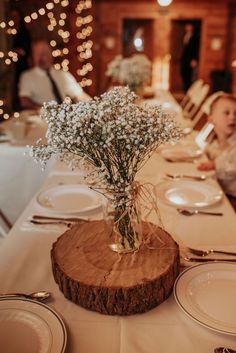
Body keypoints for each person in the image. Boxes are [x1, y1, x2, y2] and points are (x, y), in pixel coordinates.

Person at [18, 40, 90, 110]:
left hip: (63, 117)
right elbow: (24, 101)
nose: (42, 57)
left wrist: (93, 105)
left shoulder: (64, 75)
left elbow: (80, 96)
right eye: (38, 54)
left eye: (45, 53)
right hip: (40, 118)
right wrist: (46, 110)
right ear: (33, 56)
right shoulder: (27, 77)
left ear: (51, 54)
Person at [197, 94, 236, 208]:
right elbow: (214, 152)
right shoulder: (215, 142)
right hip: (220, 191)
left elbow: (233, 167)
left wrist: (215, 164)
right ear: (211, 119)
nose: (232, 117)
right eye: (226, 113)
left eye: (235, 113)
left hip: (232, 199)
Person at [10, 7, 31, 110]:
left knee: (21, 85)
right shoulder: (9, 33)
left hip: (21, 65)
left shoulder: (24, 32)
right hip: (11, 65)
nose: (14, 19)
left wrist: (17, 51)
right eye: (12, 16)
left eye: (16, 16)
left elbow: (26, 51)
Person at [180, 23, 199, 92]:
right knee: (183, 74)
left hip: (191, 60)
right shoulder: (184, 36)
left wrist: (194, 59)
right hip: (184, 59)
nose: (187, 28)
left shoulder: (195, 37)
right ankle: (185, 89)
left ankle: (189, 91)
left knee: (190, 76)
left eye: (189, 26)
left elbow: (196, 49)